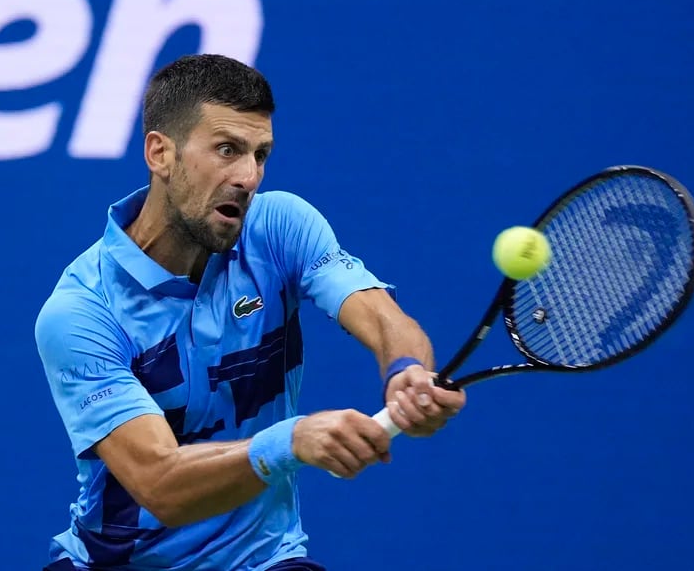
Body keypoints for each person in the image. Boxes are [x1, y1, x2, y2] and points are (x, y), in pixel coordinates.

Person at [34, 54, 465, 571]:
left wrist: (407, 371)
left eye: (260, 154)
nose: (248, 176)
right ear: (160, 153)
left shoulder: (280, 226)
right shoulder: (82, 312)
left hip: (262, 560)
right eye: (226, 150)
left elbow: (378, 315)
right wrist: (291, 441)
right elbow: (161, 483)